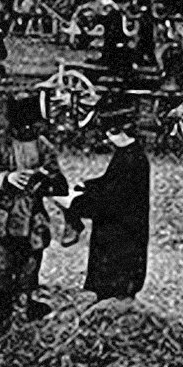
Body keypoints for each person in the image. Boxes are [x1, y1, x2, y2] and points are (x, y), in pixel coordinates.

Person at [0, 92, 68, 333]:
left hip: (33, 217)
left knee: (30, 264)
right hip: (5, 216)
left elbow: (59, 181)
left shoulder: (44, 147)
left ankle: (23, 305)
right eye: (23, 124)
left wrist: (45, 179)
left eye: (32, 124)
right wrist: (4, 178)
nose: (28, 129)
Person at [62, 106, 151, 300]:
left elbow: (112, 199)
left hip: (121, 231)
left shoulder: (131, 160)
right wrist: (88, 185)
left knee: (114, 280)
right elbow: (110, 181)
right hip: (122, 228)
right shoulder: (131, 153)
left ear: (117, 132)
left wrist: (77, 204)